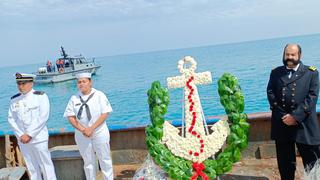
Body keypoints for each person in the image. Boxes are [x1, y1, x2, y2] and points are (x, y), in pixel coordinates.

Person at [267, 44, 320, 180]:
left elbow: (312, 97)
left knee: (313, 164)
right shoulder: (276, 73)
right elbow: (271, 94)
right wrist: (284, 116)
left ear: (299, 56)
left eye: (292, 55)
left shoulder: (311, 73)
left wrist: (295, 117)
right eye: (287, 54)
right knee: (285, 165)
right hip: (282, 123)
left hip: (304, 125)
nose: (289, 57)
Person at [63, 72, 113, 180]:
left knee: (105, 159)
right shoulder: (74, 98)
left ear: (90, 82)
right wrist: (83, 129)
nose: (81, 84)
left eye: (84, 81)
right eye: (79, 82)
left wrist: (91, 128)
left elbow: (105, 113)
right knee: (88, 162)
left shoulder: (99, 95)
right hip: (82, 135)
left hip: (99, 132)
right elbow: (70, 116)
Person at [8, 73, 57, 180]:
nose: (20, 86)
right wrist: (21, 135)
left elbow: (43, 117)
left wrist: (29, 134)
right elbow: (11, 119)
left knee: (46, 166)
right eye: (18, 84)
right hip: (23, 140)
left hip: (38, 138)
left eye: (23, 83)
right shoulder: (14, 100)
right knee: (31, 167)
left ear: (31, 83)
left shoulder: (40, 96)